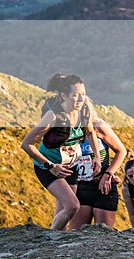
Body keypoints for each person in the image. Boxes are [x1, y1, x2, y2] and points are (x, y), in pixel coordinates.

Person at [20, 74, 100, 230]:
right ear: (64, 95)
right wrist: (51, 166)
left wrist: (96, 156)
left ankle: (56, 244)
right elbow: (26, 144)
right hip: (48, 167)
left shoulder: (84, 111)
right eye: (76, 95)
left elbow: (90, 132)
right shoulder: (53, 116)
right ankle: (50, 239)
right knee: (73, 206)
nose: (80, 99)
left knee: (64, 209)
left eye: (83, 95)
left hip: (71, 166)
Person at [68, 104, 128, 230]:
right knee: (76, 235)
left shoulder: (99, 127)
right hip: (79, 187)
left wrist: (108, 174)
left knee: (102, 235)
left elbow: (121, 151)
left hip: (102, 187)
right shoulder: (69, 131)